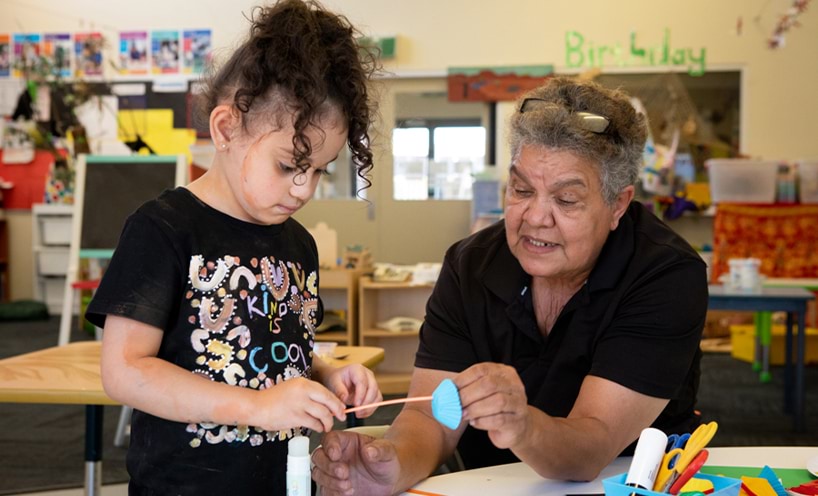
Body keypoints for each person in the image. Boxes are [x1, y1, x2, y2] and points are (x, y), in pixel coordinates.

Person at [312, 76, 708, 495]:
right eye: (521, 190)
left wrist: (521, 423)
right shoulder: (471, 266)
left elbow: (590, 447)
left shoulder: (663, 274)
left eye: (566, 199)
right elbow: (431, 417)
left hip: (629, 485)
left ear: (618, 205)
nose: (535, 217)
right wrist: (390, 465)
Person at [87, 1, 381, 494]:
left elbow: (277, 354)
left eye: (320, 170)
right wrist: (255, 407)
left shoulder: (299, 245)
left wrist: (325, 374)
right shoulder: (162, 229)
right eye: (289, 166)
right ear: (226, 129)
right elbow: (124, 371)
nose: (304, 189)